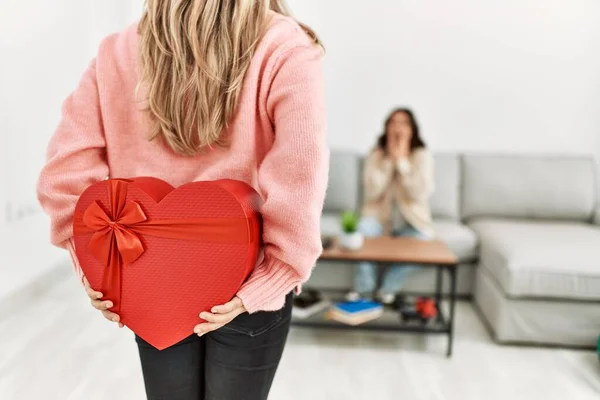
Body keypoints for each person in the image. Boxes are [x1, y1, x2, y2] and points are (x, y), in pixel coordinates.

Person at [36, 1, 329, 399]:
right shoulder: (284, 48)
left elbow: (64, 174)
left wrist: (97, 265)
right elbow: (300, 177)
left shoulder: (118, 51)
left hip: (148, 279)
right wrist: (270, 280)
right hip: (247, 283)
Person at [348, 108, 435, 305]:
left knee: (424, 245)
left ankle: (387, 288)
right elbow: (371, 192)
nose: (398, 128)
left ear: (412, 129)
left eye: (404, 123)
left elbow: (419, 193)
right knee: (360, 233)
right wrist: (389, 161)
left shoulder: (422, 156)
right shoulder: (376, 154)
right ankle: (364, 291)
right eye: (393, 122)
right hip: (379, 220)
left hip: (412, 224)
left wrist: (402, 162)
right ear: (386, 128)